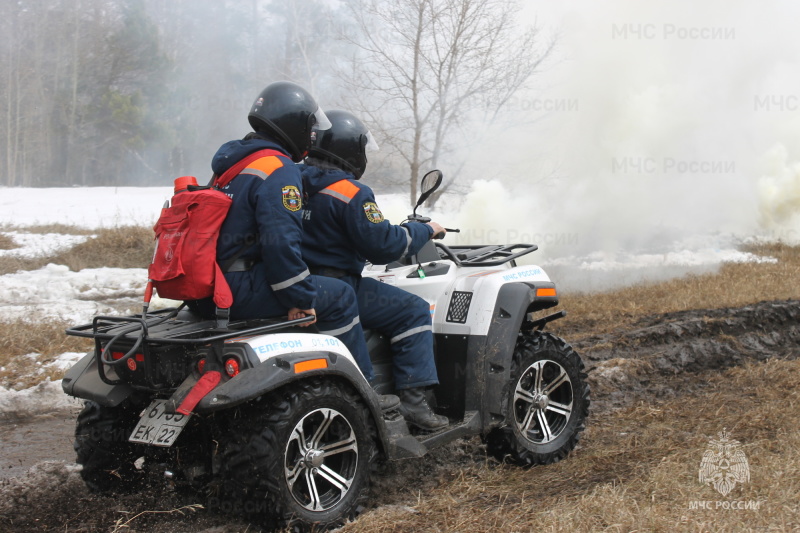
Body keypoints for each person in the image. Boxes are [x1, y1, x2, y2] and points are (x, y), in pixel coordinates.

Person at [192, 83, 388, 407]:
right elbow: (280, 242)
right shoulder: (278, 168)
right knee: (339, 294)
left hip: (208, 285)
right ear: (293, 125)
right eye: (310, 128)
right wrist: (298, 297)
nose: (312, 136)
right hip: (237, 287)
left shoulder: (231, 164)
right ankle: (363, 392)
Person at [300, 109, 448, 430]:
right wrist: (425, 230)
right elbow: (385, 246)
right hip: (340, 288)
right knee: (413, 310)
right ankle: (413, 404)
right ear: (350, 149)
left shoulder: (291, 181)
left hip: (296, 284)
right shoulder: (351, 192)